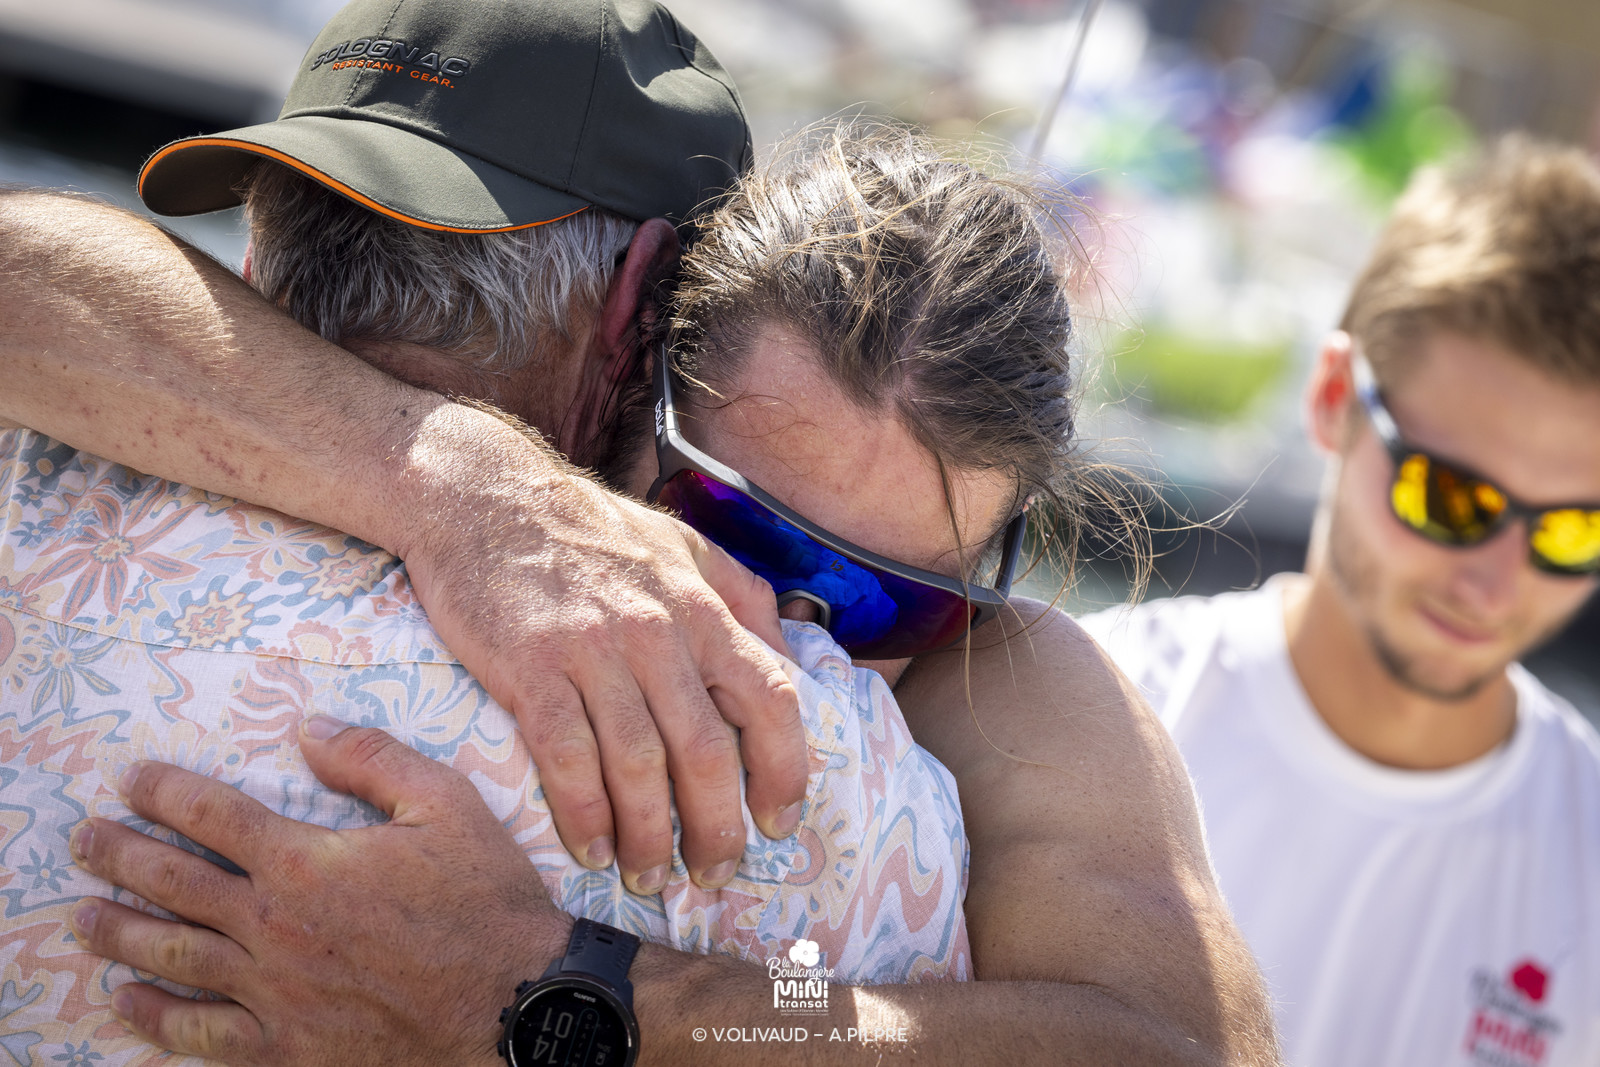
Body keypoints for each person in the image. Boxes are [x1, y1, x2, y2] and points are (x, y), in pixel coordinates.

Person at [0, 3, 1276, 1065]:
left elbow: (1171, 1047)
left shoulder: (1007, 685)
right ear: (647, 343)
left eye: (894, 602)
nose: (782, 632)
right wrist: (458, 482)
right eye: (727, 523)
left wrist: (591, 987)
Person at [1081, 137, 1600, 1067]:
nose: (1494, 580)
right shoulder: (1088, 707)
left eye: (1573, 531)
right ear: (1332, 397)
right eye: (1450, 498)